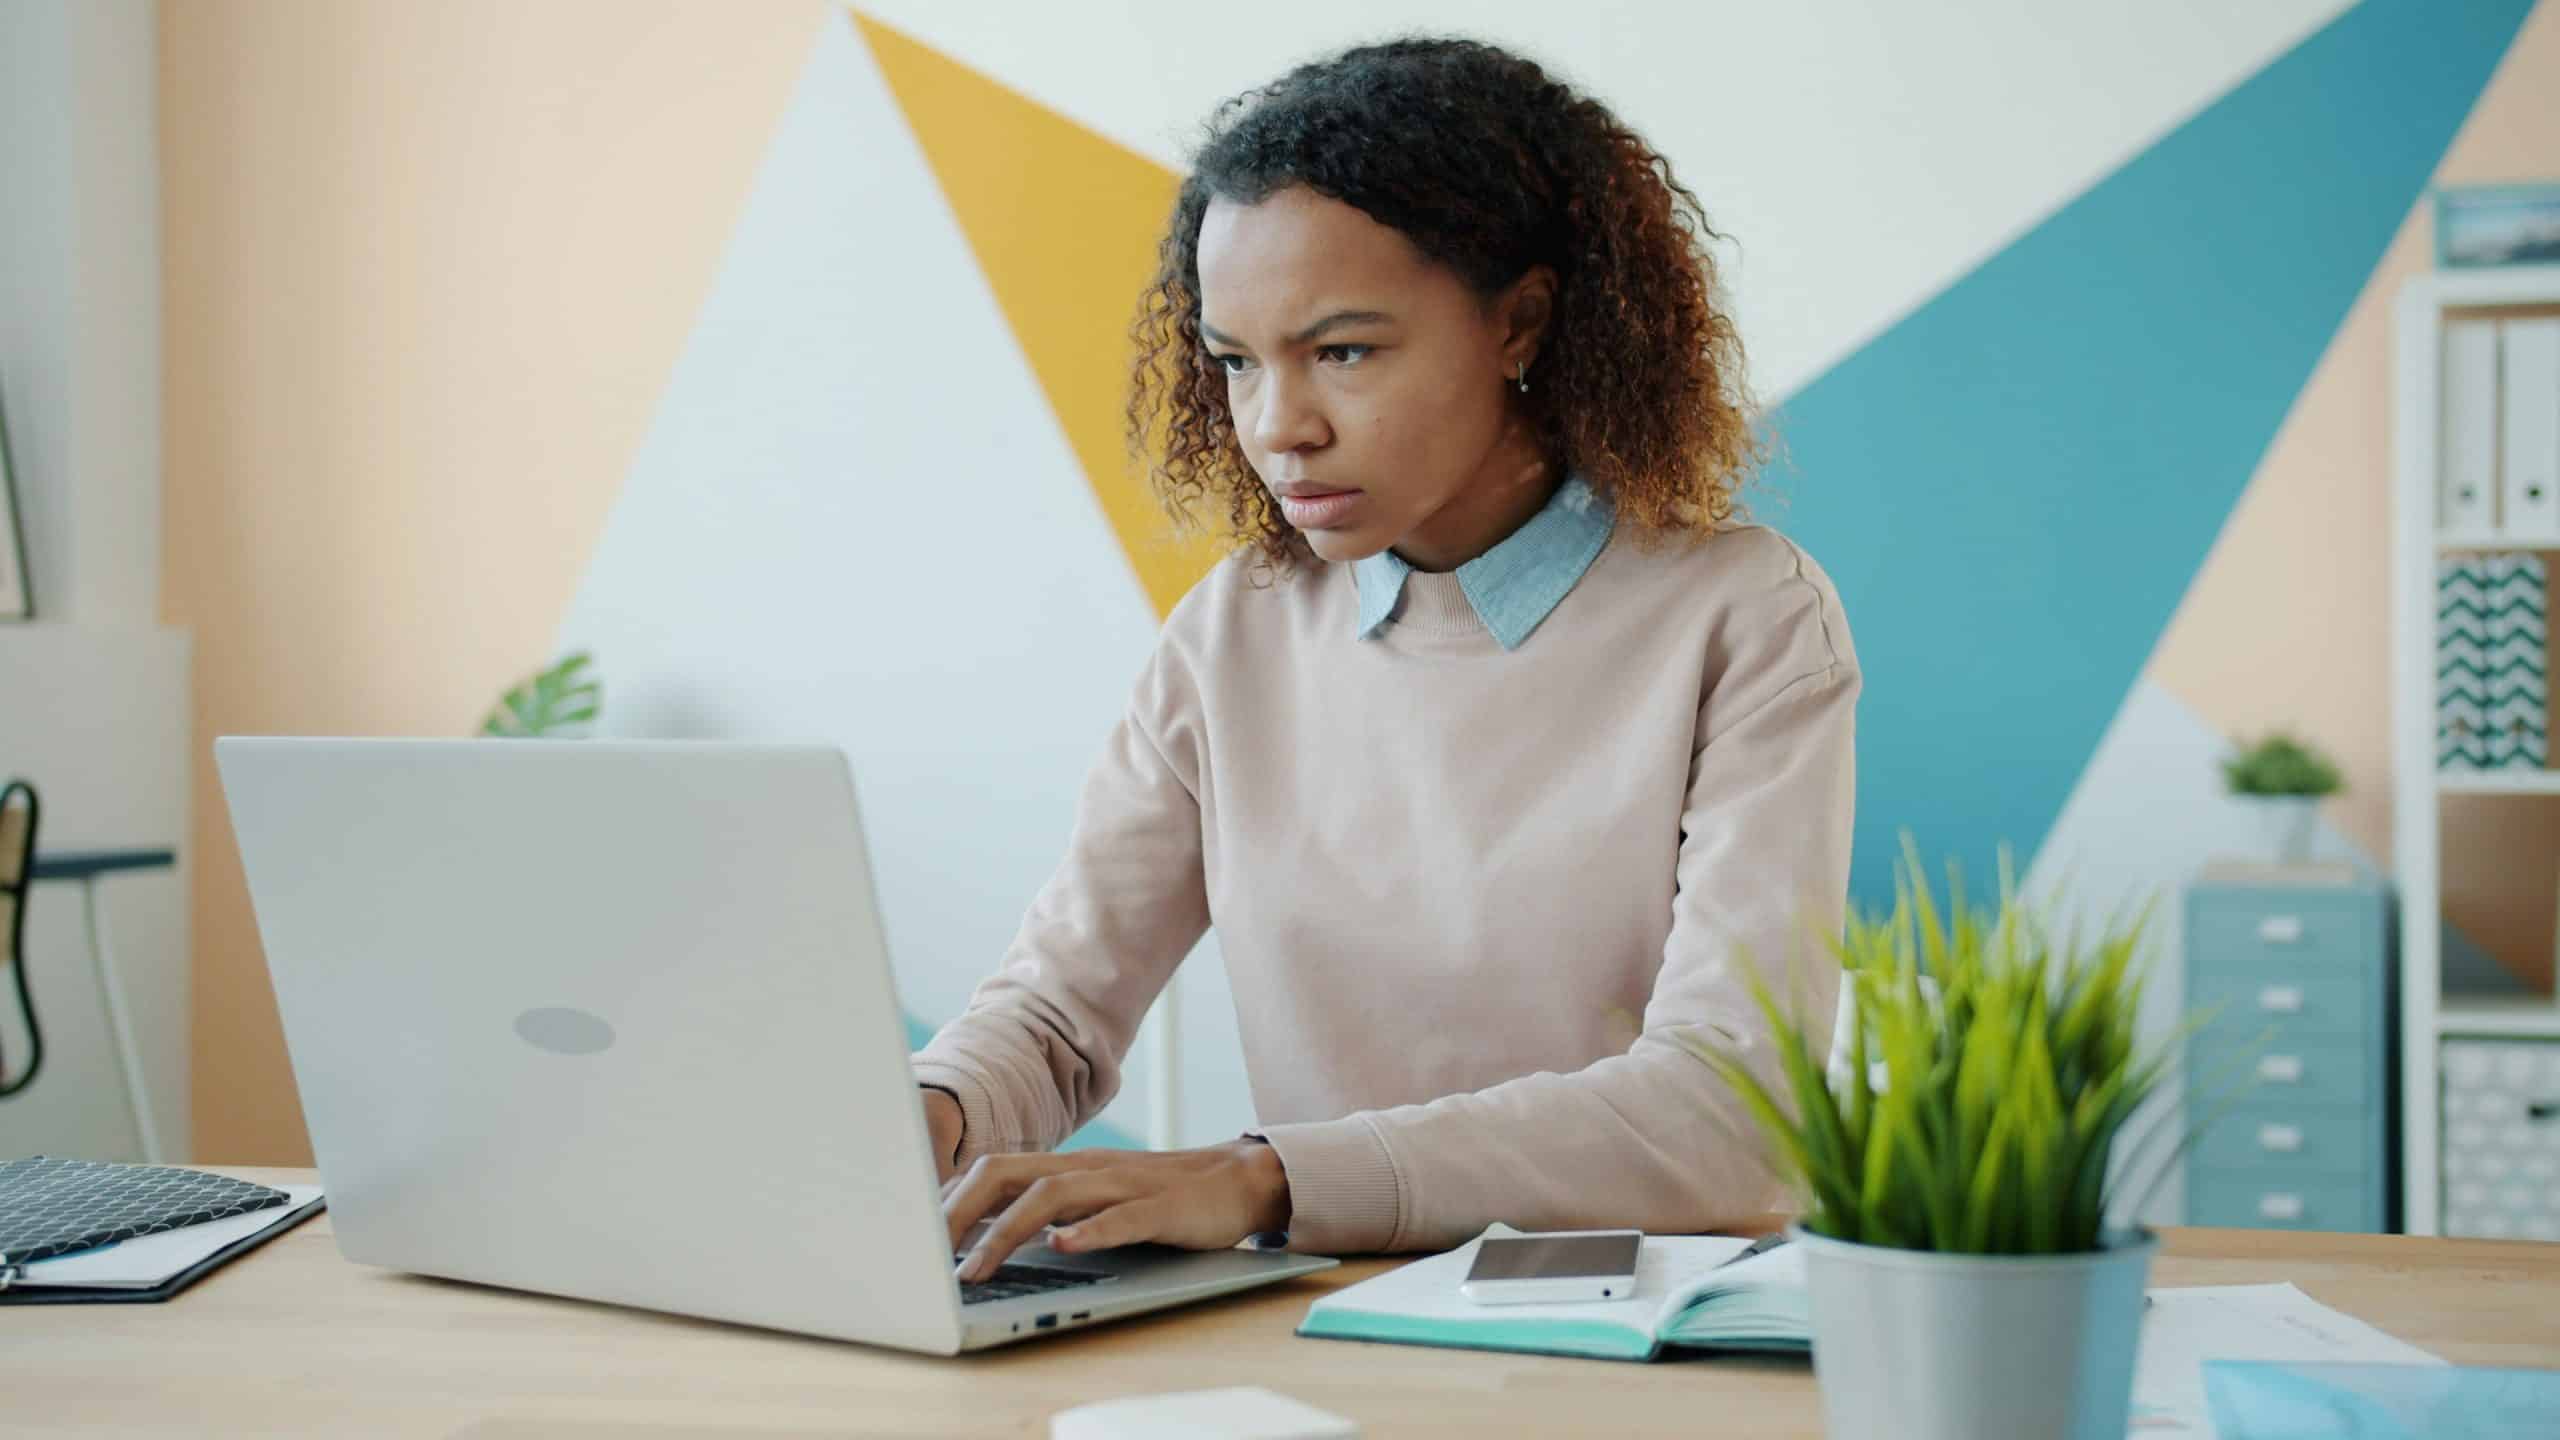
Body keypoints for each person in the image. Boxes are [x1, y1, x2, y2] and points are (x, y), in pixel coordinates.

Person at [918, 35, 1859, 1284]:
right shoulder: (1233, 629)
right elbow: (1051, 1017)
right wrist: (923, 1119)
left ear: (1520, 321)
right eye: (1237, 362)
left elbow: (1731, 1110)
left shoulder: (1744, 617)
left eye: (1343, 351)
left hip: (1642, 1325)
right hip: (1337, 1318)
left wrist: (1265, 1176)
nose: (1276, 427)